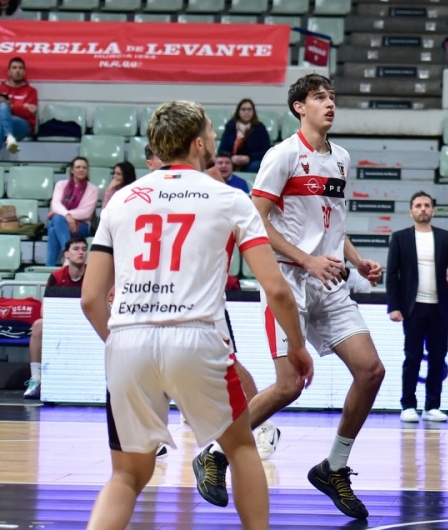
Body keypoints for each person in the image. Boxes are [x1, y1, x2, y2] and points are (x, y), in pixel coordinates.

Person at [78, 99, 313, 530]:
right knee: (241, 447)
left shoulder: (121, 200)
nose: (213, 134)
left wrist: (123, 343)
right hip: (196, 338)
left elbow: (91, 299)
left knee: (127, 476)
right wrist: (297, 347)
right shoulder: (229, 198)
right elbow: (277, 289)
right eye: (209, 129)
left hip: (128, 339)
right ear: (198, 142)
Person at [192, 74, 385, 520]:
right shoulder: (282, 155)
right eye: (319, 98)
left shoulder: (341, 158)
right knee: (289, 385)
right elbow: (255, 220)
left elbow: (332, 223)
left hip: (329, 282)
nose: (330, 104)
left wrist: (356, 261)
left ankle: (333, 467)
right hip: (289, 282)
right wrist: (307, 259)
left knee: (371, 371)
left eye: (332, 97)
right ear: (299, 107)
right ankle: (214, 455)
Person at [386, 191, 448, 423]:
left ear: (433, 210)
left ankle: (432, 406)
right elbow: (392, 275)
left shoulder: (444, 237)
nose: (422, 209)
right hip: (412, 308)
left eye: (426, 205)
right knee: (412, 357)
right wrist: (393, 306)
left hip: (438, 307)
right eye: (418, 205)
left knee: (438, 357)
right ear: (411, 211)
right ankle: (408, 405)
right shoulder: (400, 238)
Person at [23, 237, 88, 399]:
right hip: (62, 321)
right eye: (76, 249)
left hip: (88, 322)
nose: (80, 252)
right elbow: (44, 311)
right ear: (66, 254)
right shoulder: (56, 277)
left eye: (83, 249)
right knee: (38, 325)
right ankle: (36, 379)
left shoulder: (94, 276)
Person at [46, 156, 98, 270]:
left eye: (84, 167)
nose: (81, 170)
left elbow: (86, 212)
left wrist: (65, 215)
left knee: (54, 226)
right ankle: (67, 257)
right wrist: (67, 216)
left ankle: (51, 265)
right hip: (61, 222)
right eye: (78, 167)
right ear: (72, 170)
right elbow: (55, 204)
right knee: (57, 222)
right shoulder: (61, 184)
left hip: (82, 225)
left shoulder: (93, 189)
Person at [219, 99, 272, 172]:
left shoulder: (260, 128)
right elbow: (222, 149)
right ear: (238, 112)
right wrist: (231, 157)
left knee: (255, 166)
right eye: (243, 109)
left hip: (252, 161)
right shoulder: (230, 127)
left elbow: (266, 151)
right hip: (232, 160)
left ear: (253, 112)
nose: (246, 112)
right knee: (221, 164)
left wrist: (249, 157)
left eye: (249, 109)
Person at [0, 56, 37, 152]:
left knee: (3, 107)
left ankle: (8, 135)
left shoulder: (31, 91)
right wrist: (22, 106)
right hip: (4, 123)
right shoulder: (1, 89)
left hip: (23, 125)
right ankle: (9, 137)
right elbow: (25, 110)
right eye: (14, 68)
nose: (17, 71)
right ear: (9, 72)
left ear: (24, 72)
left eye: (20, 68)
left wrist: (10, 106)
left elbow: (29, 113)